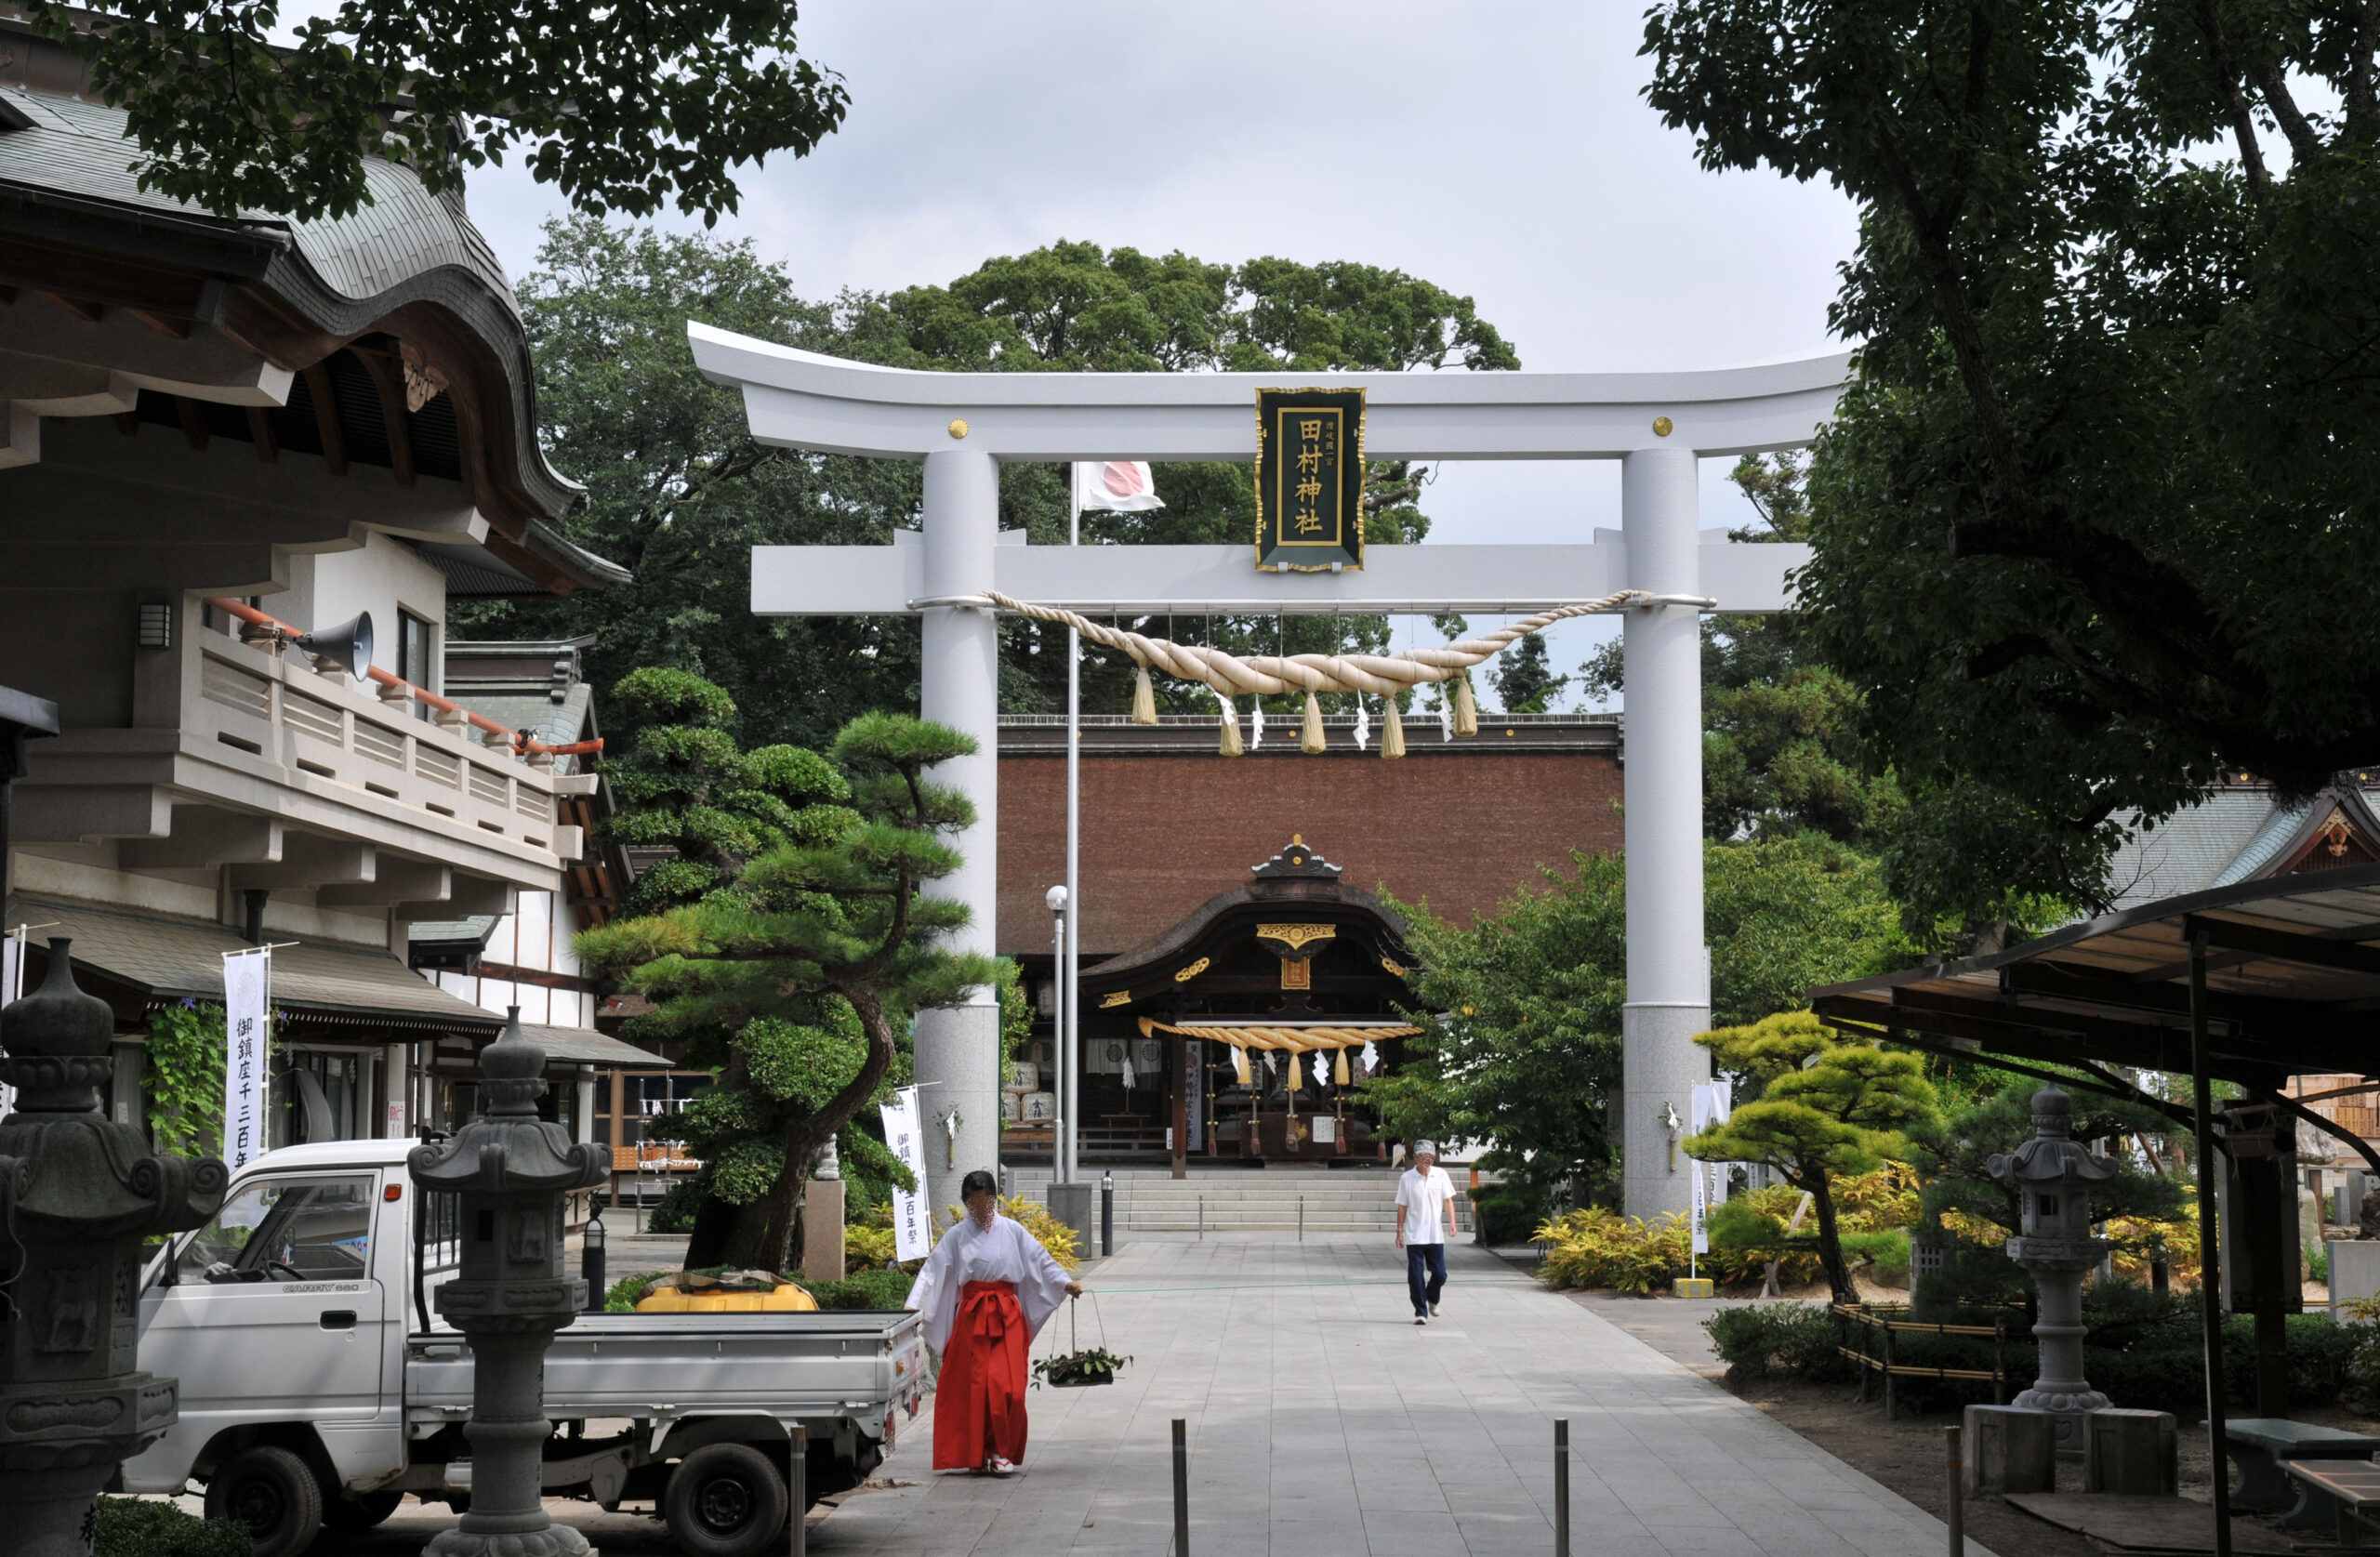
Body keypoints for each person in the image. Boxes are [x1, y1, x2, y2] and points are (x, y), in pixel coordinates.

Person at [904, 1169, 1082, 1474]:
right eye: (973, 1202)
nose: (980, 1207)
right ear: (966, 1203)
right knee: (974, 1388)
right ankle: (977, 1453)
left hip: (1007, 1315)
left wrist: (1064, 1283)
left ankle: (1002, 1450)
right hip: (972, 1316)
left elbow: (1039, 1259)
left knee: (1007, 1387)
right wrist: (913, 1305)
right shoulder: (957, 1236)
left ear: (994, 1199)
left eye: (985, 1200)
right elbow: (933, 1271)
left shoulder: (1012, 1230)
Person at [1395, 1140, 1459, 1325]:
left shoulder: (1441, 1175)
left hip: (1435, 1234)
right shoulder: (1407, 1178)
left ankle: (1432, 1298)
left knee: (1440, 1274)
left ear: (1434, 1158)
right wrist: (1400, 1231)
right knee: (1415, 1276)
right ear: (1415, 1158)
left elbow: (1448, 1200)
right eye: (1421, 1156)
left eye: (1429, 1156)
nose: (1425, 1160)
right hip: (1415, 1235)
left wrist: (1452, 1222)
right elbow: (1402, 1206)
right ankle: (1420, 1311)